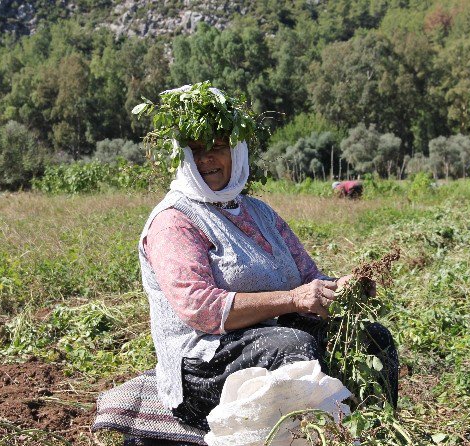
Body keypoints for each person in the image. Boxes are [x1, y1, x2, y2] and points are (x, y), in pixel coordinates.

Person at [137, 84, 398, 433]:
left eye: (217, 148)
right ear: (182, 157)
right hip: (203, 361)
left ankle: (377, 432)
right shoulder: (174, 221)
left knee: (372, 338)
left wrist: (340, 288)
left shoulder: (259, 212)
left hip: (269, 336)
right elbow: (201, 309)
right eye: (195, 151)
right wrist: (291, 299)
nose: (206, 160)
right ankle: (304, 437)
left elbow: (308, 278)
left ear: (238, 152)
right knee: (293, 349)